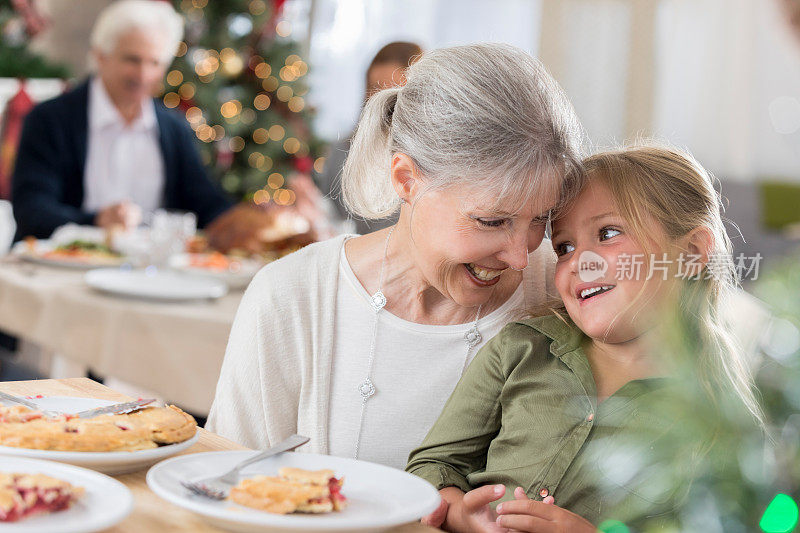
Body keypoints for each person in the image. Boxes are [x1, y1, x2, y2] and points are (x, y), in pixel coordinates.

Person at [206, 43, 585, 470]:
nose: (521, 257)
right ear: (406, 179)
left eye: (542, 217)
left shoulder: (570, 295)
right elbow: (226, 487)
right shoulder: (292, 297)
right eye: (492, 221)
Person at [405, 146, 765, 531]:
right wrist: (461, 514)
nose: (578, 262)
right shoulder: (522, 349)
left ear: (691, 254)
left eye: (608, 234)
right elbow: (435, 464)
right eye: (564, 247)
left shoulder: (719, 415)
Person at [11, 0, 232, 241]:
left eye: (155, 62)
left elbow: (206, 203)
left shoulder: (174, 128)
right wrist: (97, 220)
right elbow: (31, 210)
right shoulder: (48, 120)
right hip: (60, 267)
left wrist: (245, 218)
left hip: (149, 273)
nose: (143, 75)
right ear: (101, 56)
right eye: (132, 60)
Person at [313, 41, 423, 235]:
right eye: (375, 88)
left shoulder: (429, 161)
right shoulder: (345, 149)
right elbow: (330, 212)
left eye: (395, 90)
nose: (382, 100)